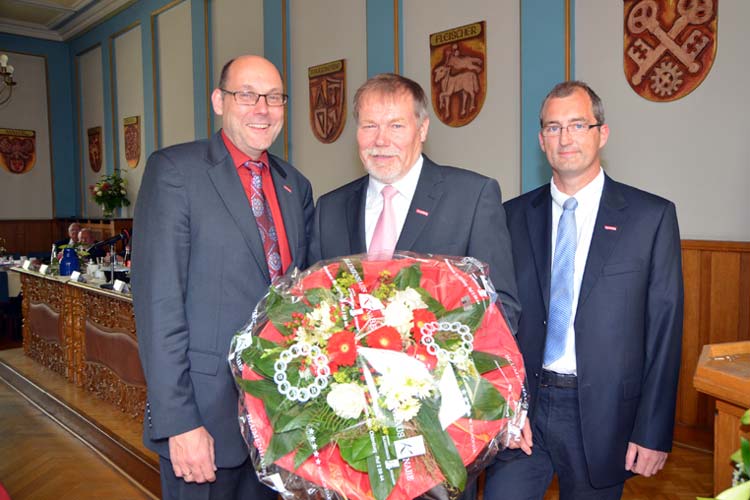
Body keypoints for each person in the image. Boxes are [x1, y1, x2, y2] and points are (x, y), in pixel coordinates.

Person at [483, 81, 684, 500]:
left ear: (601, 133)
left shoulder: (651, 218)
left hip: (605, 415)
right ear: (541, 140)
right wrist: (502, 405)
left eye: (578, 124)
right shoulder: (511, 216)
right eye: (553, 128)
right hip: (525, 410)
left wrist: (653, 430)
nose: (565, 138)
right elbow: (494, 322)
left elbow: (665, 331)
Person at [131, 55, 313, 500]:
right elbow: (159, 304)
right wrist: (180, 422)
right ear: (218, 101)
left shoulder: (296, 186)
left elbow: (301, 300)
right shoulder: (175, 172)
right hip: (203, 425)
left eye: (274, 97)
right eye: (246, 95)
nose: (262, 108)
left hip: (280, 426)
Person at [308, 73, 521, 332]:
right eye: (369, 126)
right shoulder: (329, 210)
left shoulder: (471, 198)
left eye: (396, 126)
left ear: (422, 129)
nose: (381, 140)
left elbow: (501, 308)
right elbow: (312, 306)